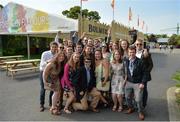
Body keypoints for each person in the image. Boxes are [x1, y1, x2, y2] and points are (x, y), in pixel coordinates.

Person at [124, 45, 147, 120]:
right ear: (128, 52)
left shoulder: (140, 61)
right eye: (130, 52)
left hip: (138, 83)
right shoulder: (126, 60)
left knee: (138, 99)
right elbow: (125, 71)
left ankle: (140, 112)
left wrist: (142, 83)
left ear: (135, 52)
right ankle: (131, 108)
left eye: (133, 52)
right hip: (129, 82)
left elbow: (145, 73)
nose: (131, 54)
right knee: (127, 97)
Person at [39, 41, 58, 112]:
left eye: (55, 47)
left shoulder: (57, 54)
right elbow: (42, 64)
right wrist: (49, 61)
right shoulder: (45, 53)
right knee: (43, 88)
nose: (54, 48)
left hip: (51, 74)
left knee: (52, 89)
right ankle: (41, 104)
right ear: (50, 47)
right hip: (43, 72)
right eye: (53, 47)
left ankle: (51, 103)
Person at [135, 39, 153, 108]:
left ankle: (143, 104)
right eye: (137, 44)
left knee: (144, 90)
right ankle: (136, 104)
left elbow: (151, 65)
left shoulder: (146, 53)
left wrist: (146, 73)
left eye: (140, 44)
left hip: (143, 76)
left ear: (142, 45)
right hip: (135, 76)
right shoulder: (133, 52)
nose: (139, 45)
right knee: (137, 90)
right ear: (135, 45)